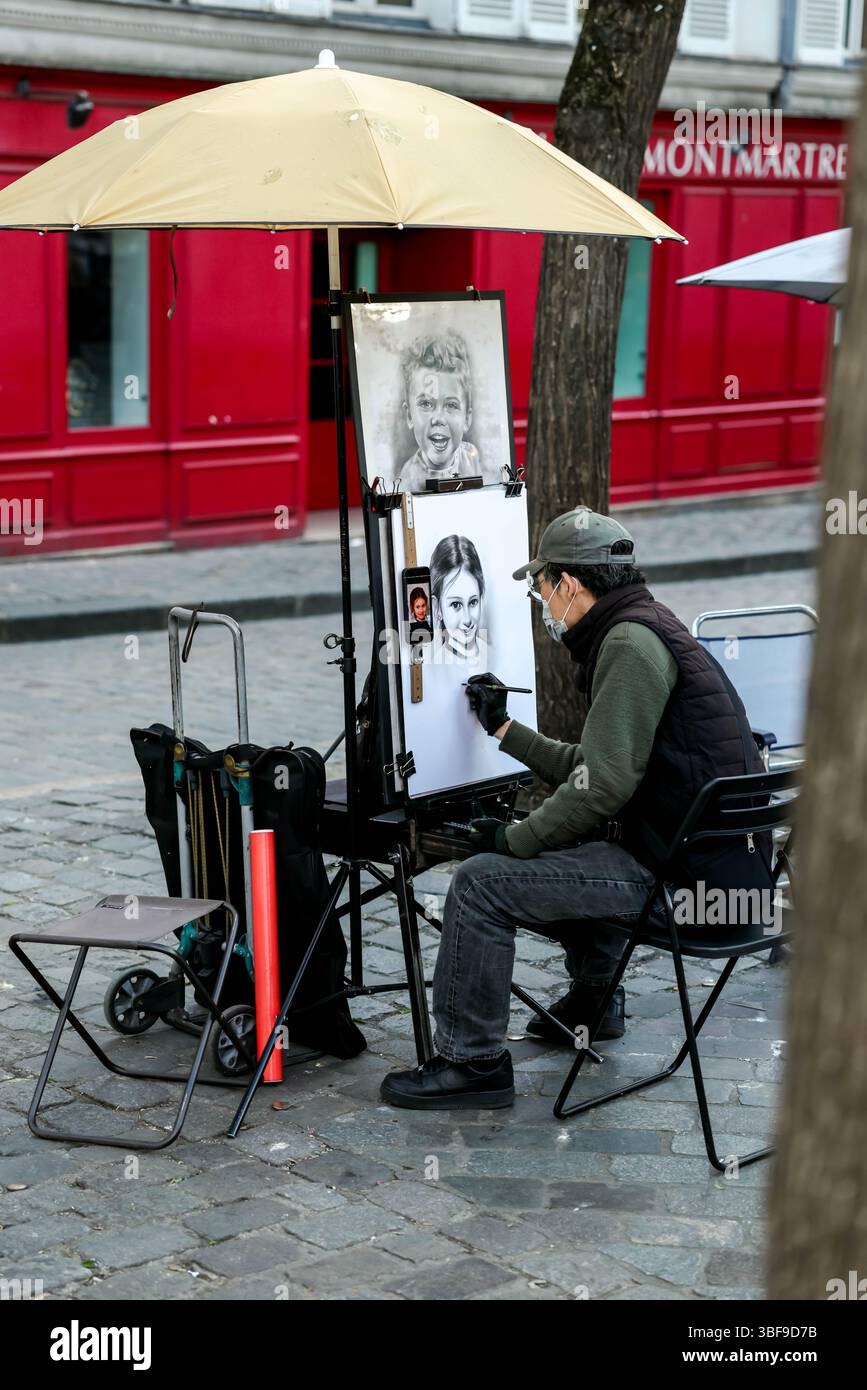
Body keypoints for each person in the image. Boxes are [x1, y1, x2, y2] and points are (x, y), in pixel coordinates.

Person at [380, 506, 774, 1110]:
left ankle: (472, 1063)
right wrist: (505, 730)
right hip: (720, 873)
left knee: (481, 884)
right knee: (575, 840)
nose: (540, 602)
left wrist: (512, 841)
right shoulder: (646, 625)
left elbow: (600, 787)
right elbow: (601, 766)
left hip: (687, 889)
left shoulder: (629, 646)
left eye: (541, 586)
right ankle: (595, 1002)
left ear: (568, 584)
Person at [396, 335, 484, 491]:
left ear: (467, 418)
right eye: (426, 404)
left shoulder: (471, 457)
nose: (438, 419)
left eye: (451, 405)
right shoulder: (408, 478)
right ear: (409, 416)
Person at [429, 534, 486, 663]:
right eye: (456, 605)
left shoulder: (499, 658)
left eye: (473, 602)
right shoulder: (430, 670)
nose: (467, 620)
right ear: (436, 608)